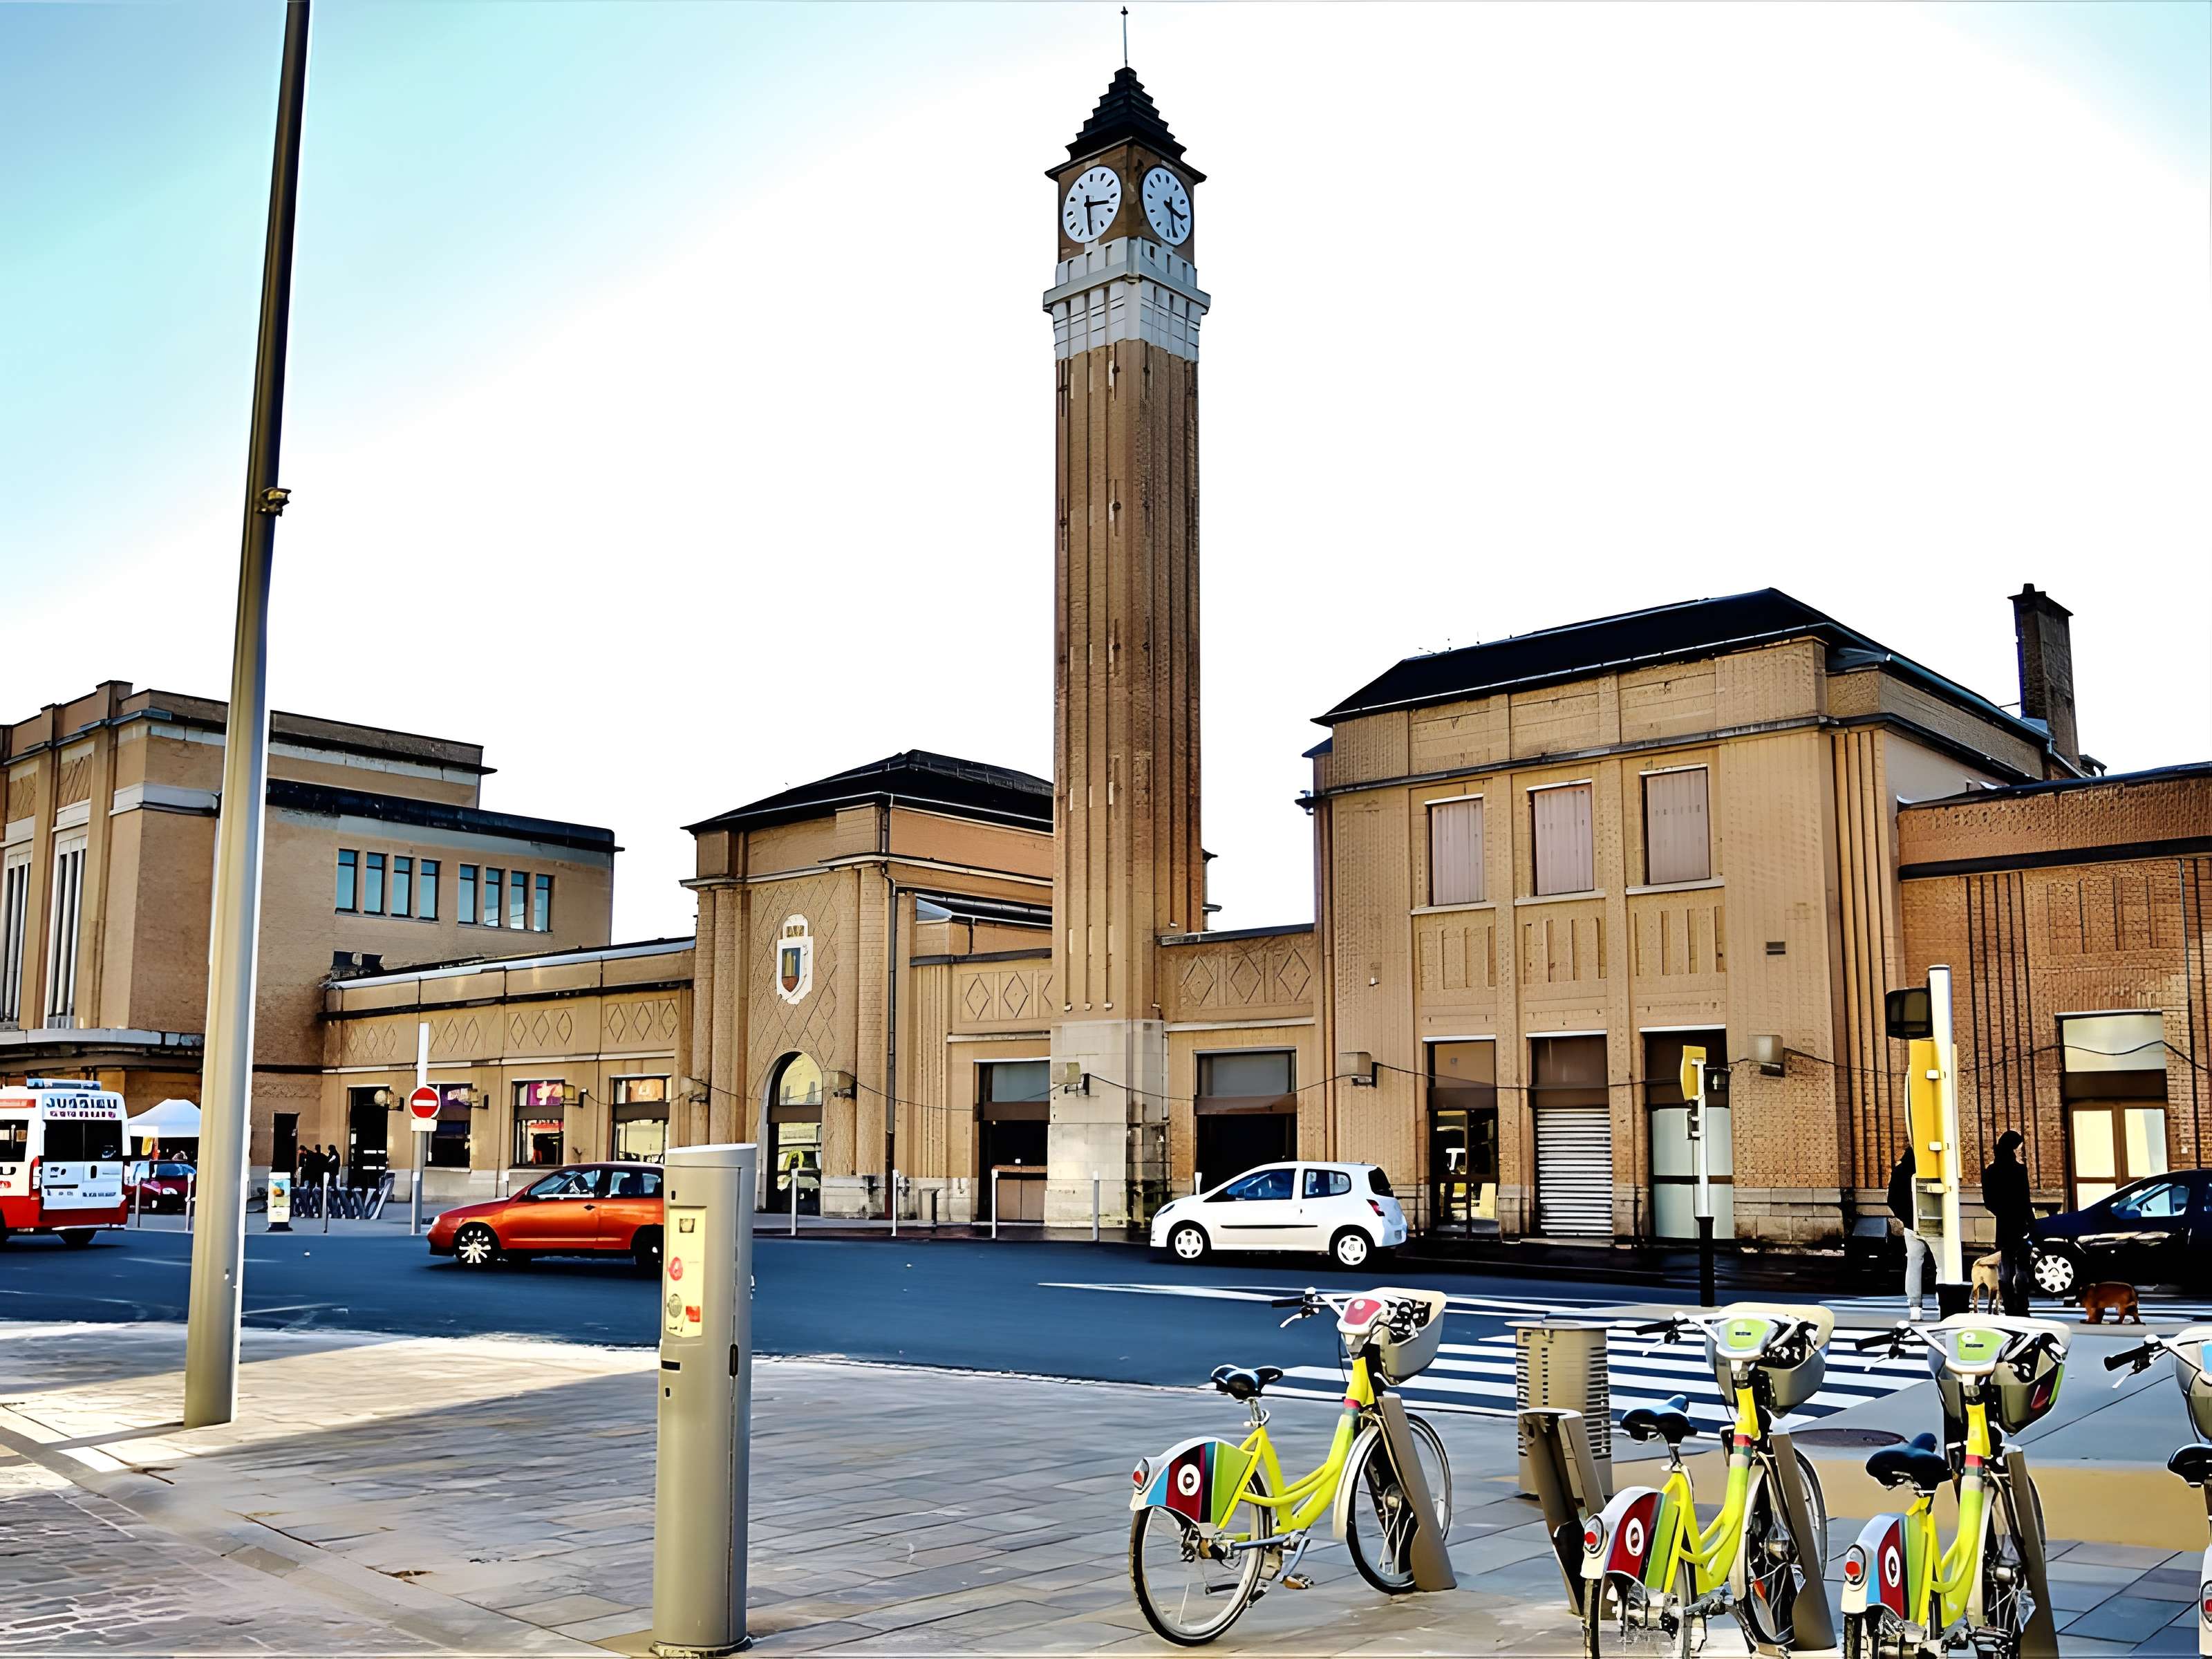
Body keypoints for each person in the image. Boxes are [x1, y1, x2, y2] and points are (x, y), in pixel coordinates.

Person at [1980, 1129, 2035, 1316]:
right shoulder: (2020, 1170)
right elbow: (2025, 1200)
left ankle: (2009, 1305)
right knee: (2023, 1267)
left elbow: (1988, 1201)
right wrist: (2031, 1222)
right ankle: (2023, 1306)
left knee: (2006, 1267)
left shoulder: (1991, 1171)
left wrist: (2001, 1212)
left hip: (2003, 1224)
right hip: (2020, 1222)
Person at [1886, 1149, 1928, 1320]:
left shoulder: (1900, 1170)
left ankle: (1915, 1304)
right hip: (1935, 1220)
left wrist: (1907, 1219)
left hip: (1911, 1224)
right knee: (1942, 1264)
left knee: (1914, 1262)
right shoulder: (1930, 1168)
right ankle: (1943, 1300)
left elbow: (1892, 1199)